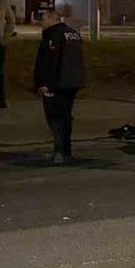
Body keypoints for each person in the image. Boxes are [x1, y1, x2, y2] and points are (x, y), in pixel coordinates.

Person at [32, 10, 85, 164]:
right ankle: (66, 151)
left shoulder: (52, 36)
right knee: (66, 117)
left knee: (55, 118)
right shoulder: (73, 34)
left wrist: (44, 83)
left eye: (43, 20)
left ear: (51, 20)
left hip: (56, 84)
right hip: (72, 83)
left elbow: (49, 61)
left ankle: (59, 152)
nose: (41, 23)